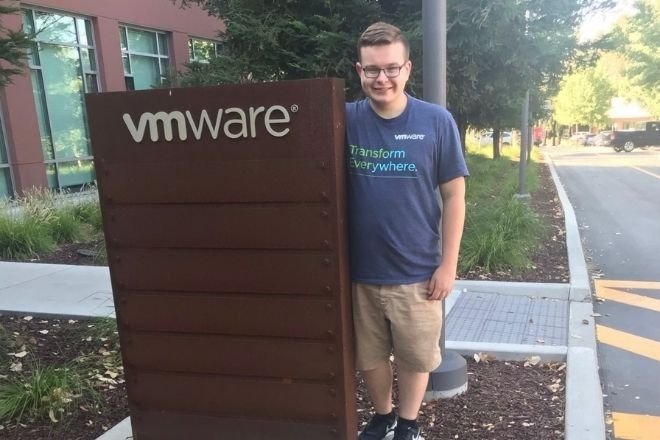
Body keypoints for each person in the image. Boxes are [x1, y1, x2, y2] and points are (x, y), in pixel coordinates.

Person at [345, 22, 469, 440]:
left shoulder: (436, 122)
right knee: (370, 356)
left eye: (391, 68)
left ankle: (409, 425)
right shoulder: (343, 120)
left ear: (408, 68)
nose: (382, 78)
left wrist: (448, 265)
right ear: (359, 70)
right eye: (372, 69)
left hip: (418, 272)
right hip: (359, 272)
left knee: (416, 357)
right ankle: (383, 417)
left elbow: (454, 196)